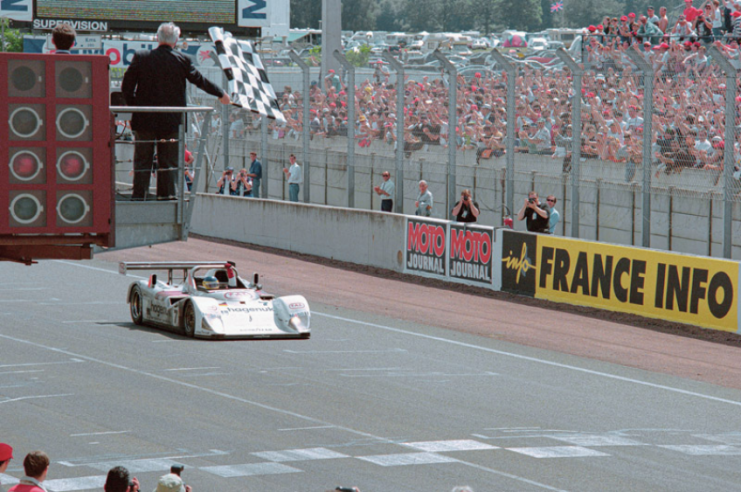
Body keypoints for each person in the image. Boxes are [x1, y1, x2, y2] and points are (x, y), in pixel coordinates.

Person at [122, 22, 231, 201]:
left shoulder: (141, 57)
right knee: (168, 161)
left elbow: (126, 88)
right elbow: (200, 80)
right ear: (176, 40)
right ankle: (167, 196)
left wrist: (135, 109)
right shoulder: (182, 60)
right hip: (171, 124)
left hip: (145, 123)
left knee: (143, 159)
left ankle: (138, 196)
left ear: (157, 38)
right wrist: (221, 93)